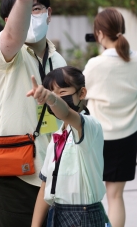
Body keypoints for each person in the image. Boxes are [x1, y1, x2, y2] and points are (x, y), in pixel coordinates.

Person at [0, 0, 67, 226]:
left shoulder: (58, 61)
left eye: (37, 7)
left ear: (49, 13)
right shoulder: (1, 49)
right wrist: (23, 0)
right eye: (25, 9)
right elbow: (12, 39)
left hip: (50, 175)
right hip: (11, 172)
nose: (31, 13)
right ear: (9, 20)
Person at [83, 8, 137, 227]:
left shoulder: (95, 64)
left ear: (99, 33)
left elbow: (83, 91)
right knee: (115, 196)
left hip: (97, 136)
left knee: (90, 196)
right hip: (126, 136)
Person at [29, 66, 106, 226]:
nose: (56, 99)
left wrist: (51, 98)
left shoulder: (89, 126)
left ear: (82, 93)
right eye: (51, 93)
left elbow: (66, 113)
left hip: (84, 216)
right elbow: (45, 188)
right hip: (56, 213)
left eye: (62, 93)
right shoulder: (57, 137)